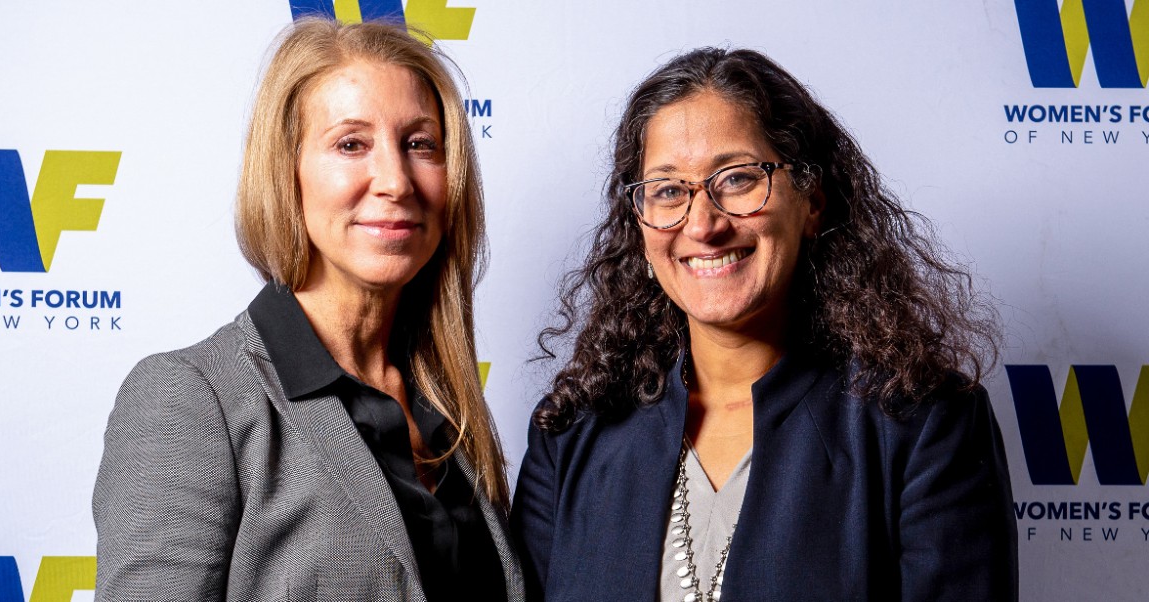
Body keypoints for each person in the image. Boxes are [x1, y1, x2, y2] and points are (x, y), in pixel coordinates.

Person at [511, 47, 1016, 602]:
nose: (702, 224)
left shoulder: (923, 424)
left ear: (813, 202)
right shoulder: (571, 431)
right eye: (668, 191)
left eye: (737, 179)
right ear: (640, 224)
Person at [93, 17, 523, 602]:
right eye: (351, 144)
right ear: (284, 172)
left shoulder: (446, 405)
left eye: (420, 144)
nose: (395, 180)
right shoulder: (191, 398)